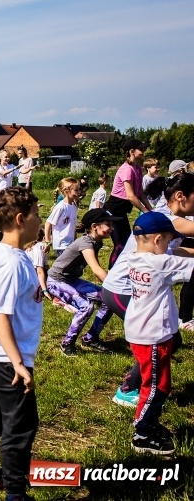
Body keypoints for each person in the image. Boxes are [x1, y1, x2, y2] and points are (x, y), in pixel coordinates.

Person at [0, 187, 42, 501]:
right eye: (37, 214)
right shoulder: (11, 263)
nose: (40, 219)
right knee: (21, 423)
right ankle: (16, 492)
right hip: (6, 355)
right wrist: (17, 362)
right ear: (19, 219)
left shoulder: (13, 255)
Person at [107, 174, 194, 407]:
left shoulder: (166, 221)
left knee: (169, 339)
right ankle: (128, 389)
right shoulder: (169, 220)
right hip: (122, 288)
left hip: (136, 286)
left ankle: (144, 383)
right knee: (156, 338)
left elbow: (174, 253)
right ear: (180, 196)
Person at [123, 212, 194, 455]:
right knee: (156, 387)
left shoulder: (136, 257)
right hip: (152, 335)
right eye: (168, 241)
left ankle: (149, 423)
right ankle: (142, 433)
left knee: (158, 384)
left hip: (142, 330)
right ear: (157, 240)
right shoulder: (160, 263)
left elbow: (175, 255)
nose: (170, 246)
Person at [46, 208, 118, 356]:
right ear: (94, 226)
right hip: (56, 281)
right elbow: (97, 270)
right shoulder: (86, 242)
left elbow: (98, 271)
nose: (112, 228)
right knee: (86, 306)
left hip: (71, 280)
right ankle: (67, 343)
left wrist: (111, 290)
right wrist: (117, 288)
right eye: (108, 224)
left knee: (108, 300)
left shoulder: (95, 242)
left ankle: (90, 338)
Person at [103, 139, 153, 268]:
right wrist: (146, 212)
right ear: (132, 151)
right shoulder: (127, 169)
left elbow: (140, 193)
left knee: (126, 243)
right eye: (140, 149)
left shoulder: (137, 168)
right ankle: (109, 277)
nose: (143, 152)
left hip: (122, 211)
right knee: (119, 244)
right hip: (114, 209)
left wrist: (151, 210)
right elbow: (130, 196)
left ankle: (121, 271)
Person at [44, 177, 80, 258]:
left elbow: (73, 226)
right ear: (66, 191)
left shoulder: (74, 206)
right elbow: (48, 223)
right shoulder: (61, 207)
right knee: (65, 267)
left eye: (79, 190)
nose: (79, 192)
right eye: (76, 190)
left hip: (70, 243)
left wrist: (75, 241)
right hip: (61, 244)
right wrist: (47, 241)